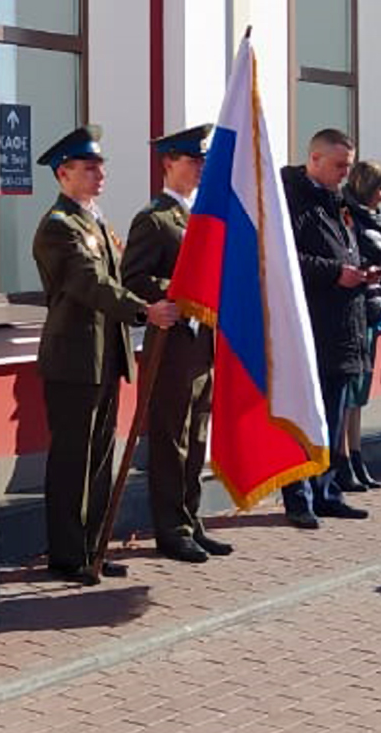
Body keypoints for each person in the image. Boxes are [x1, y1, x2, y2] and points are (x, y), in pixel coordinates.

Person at [32, 124, 180, 585]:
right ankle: (66, 555)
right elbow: (90, 285)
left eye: (100, 168)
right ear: (63, 174)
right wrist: (144, 310)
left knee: (100, 458)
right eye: (89, 168)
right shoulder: (59, 228)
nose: (100, 176)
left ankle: (93, 549)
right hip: (74, 359)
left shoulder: (94, 220)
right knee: (72, 459)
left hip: (104, 357)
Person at [123, 124, 232, 564]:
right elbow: (133, 278)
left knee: (197, 434)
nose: (201, 167)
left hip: (202, 341)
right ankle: (171, 529)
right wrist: (182, 288)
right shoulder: (154, 218)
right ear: (169, 163)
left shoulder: (201, 216)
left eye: (203, 160)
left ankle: (191, 519)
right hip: (171, 343)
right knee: (172, 438)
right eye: (193, 160)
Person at [278, 128, 376, 528]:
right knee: (304, 416)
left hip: (343, 326)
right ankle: (298, 497)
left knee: (334, 415)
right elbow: (286, 259)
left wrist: (364, 271)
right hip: (309, 326)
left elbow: (348, 247)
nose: (344, 174)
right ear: (314, 159)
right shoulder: (292, 199)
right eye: (339, 166)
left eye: (348, 167)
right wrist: (337, 273)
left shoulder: (340, 202)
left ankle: (327, 489)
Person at [342, 158, 381, 492]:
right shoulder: (347, 217)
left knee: (360, 391)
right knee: (347, 391)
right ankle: (343, 458)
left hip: (373, 310)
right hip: (353, 313)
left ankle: (357, 454)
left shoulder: (372, 218)